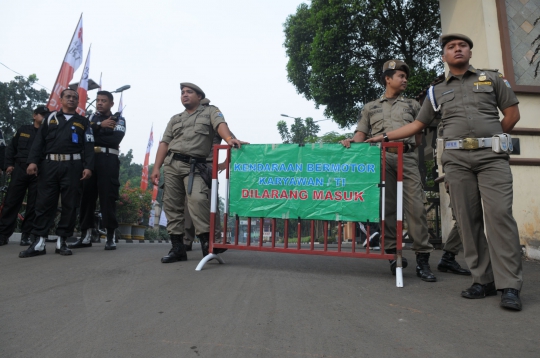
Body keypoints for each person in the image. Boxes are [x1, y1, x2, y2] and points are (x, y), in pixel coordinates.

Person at [367, 34, 523, 311]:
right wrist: (384, 135)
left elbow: (511, 115)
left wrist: (493, 139)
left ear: (470, 52)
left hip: (491, 158)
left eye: (462, 45)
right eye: (450, 47)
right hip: (456, 161)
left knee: (499, 216)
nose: (457, 49)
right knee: (467, 219)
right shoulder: (435, 91)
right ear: (444, 56)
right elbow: (417, 126)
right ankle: (482, 279)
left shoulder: (492, 79)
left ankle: (509, 285)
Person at [341, 60, 436, 282]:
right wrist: (350, 142)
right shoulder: (370, 107)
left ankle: (423, 259)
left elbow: (419, 135)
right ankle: (394, 256)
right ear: (388, 78)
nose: (405, 80)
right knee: (388, 208)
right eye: (401, 76)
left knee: (416, 208)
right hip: (381, 158)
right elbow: (361, 134)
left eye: (405, 76)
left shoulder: (412, 105)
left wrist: (409, 146)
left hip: (407, 157)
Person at [151, 83, 243, 263]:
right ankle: (178, 248)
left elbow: (221, 125)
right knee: (172, 207)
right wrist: (156, 167)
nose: (184, 95)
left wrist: (230, 139)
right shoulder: (175, 119)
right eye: (182, 93)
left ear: (199, 96)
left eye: (189, 92)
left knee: (199, 201)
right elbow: (164, 143)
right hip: (171, 165)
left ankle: (207, 245)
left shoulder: (210, 112)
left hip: (196, 166)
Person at [19, 88, 95, 258]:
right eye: (68, 96)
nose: (71, 99)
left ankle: (62, 241)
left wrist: (88, 166)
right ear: (60, 100)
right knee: (44, 203)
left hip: (73, 165)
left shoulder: (83, 122)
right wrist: (32, 161)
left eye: (75, 98)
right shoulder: (50, 118)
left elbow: (89, 146)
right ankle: (39, 242)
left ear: (78, 102)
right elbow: (38, 142)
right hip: (49, 165)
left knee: (69, 204)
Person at [69, 91, 125, 251]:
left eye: (104, 100)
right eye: (98, 100)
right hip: (90, 160)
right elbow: (81, 137)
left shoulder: (119, 119)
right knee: (86, 198)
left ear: (111, 104)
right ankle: (86, 236)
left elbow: (115, 139)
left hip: (108, 160)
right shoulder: (90, 119)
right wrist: (100, 126)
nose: (100, 103)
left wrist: (94, 134)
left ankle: (110, 236)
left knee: (108, 197)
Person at [0, 106, 48, 247]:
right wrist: (8, 165)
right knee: (11, 202)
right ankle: (3, 235)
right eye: (42, 114)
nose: (44, 117)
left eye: (46, 115)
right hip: (20, 168)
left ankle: (26, 235)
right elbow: (11, 149)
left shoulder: (48, 133)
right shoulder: (23, 130)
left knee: (34, 205)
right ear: (34, 115)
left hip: (38, 171)